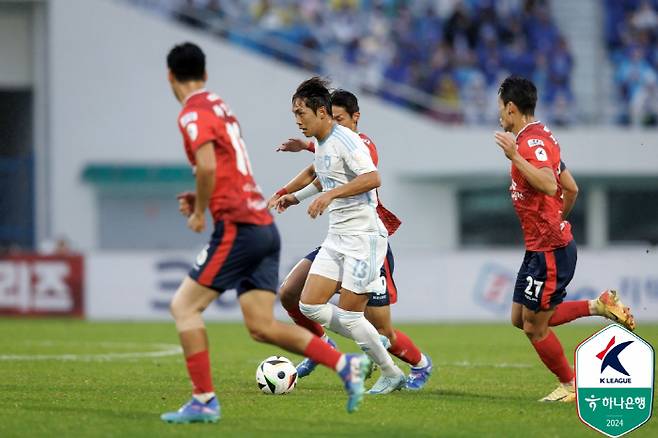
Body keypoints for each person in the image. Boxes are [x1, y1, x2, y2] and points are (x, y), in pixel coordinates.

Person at [161, 43, 371, 423]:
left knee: (184, 307)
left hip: (238, 225)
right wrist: (203, 195)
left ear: (170, 76)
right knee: (261, 326)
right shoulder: (219, 107)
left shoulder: (192, 113)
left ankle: (204, 400)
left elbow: (208, 166)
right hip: (260, 223)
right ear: (205, 75)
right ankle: (344, 364)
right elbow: (226, 167)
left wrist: (200, 211)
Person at [270, 89, 432, 391]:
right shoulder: (322, 143)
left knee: (365, 321)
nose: (296, 120)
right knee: (308, 305)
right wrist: (290, 196)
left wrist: (328, 195)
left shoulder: (352, 141)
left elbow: (373, 178)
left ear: (323, 112)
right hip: (337, 236)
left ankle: (395, 367)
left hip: (364, 238)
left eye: (300, 113)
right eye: (294, 113)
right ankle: (347, 347)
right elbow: (320, 175)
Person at [494, 76, 636, 403]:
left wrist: (515, 157)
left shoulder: (528, 144)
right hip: (540, 247)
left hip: (549, 252)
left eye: (501, 108)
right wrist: (556, 219)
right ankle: (599, 305)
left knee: (534, 327)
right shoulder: (543, 137)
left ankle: (571, 384)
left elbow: (547, 183)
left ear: (512, 108)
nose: (500, 114)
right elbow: (570, 187)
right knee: (520, 318)